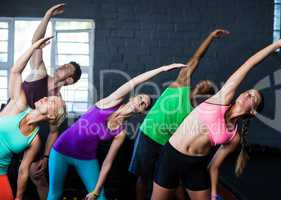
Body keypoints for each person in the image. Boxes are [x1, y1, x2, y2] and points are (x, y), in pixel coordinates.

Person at [151, 35, 281, 200]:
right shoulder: (222, 99)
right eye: (249, 91)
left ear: (253, 112)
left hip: (196, 166)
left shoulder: (234, 137)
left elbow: (214, 166)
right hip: (172, 156)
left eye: (253, 98)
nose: (247, 94)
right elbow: (249, 63)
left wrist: (214, 193)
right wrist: (277, 45)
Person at [47, 63, 187, 200]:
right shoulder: (111, 102)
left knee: (100, 197)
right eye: (140, 98)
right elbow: (135, 81)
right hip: (61, 150)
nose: (141, 102)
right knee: (54, 195)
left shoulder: (121, 133)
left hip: (86, 158)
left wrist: (96, 191)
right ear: (133, 98)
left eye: (144, 104)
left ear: (141, 112)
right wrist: (162, 69)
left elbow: (108, 162)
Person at [129, 29, 229, 200]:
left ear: (205, 96)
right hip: (148, 135)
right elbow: (196, 59)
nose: (205, 83)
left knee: (172, 183)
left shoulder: (197, 113)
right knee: (143, 178)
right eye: (204, 82)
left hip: (168, 146)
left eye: (208, 87)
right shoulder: (180, 85)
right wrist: (210, 37)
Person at [22, 4, 81, 200]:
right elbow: (35, 43)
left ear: (70, 80)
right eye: (64, 64)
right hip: (9, 125)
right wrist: (47, 15)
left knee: (37, 177)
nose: (62, 66)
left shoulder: (58, 104)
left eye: (67, 68)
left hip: (29, 139)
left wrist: (45, 158)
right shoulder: (39, 72)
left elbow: (54, 132)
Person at [0, 37, 66, 200]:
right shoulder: (20, 105)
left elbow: (23, 170)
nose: (45, 97)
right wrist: (35, 46)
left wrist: (19, 197)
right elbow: (15, 71)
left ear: (51, 115)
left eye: (51, 101)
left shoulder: (34, 140)